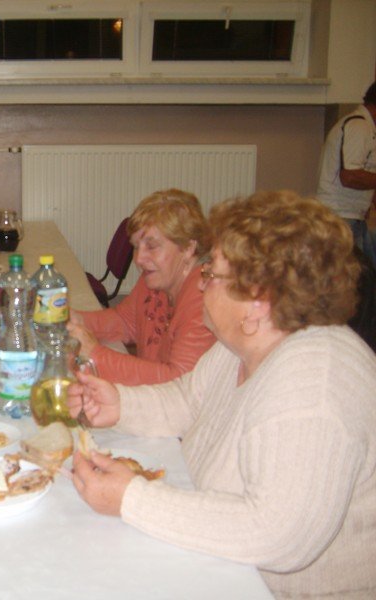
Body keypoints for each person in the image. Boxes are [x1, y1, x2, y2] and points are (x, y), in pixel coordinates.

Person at [67, 191, 376, 599]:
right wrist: (120, 404)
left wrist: (132, 499)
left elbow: (275, 535)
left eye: (212, 273)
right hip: (227, 564)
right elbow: (187, 400)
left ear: (257, 301)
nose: (201, 283)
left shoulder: (314, 388)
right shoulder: (247, 344)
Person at [67, 189, 216, 385]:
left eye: (151, 246)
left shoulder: (205, 297)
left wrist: (96, 354)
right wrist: (72, 320)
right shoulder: (157, 279)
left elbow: (179, 382)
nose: (139, 259)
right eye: (136, 246)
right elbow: (125, 321)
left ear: (188, 248)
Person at [317, 81, 376, 264]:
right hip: (340, 215)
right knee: (351, 274)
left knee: (365, 271)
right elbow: (350, 176)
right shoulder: (359, 126)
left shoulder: (366, 127)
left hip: (351, 215)